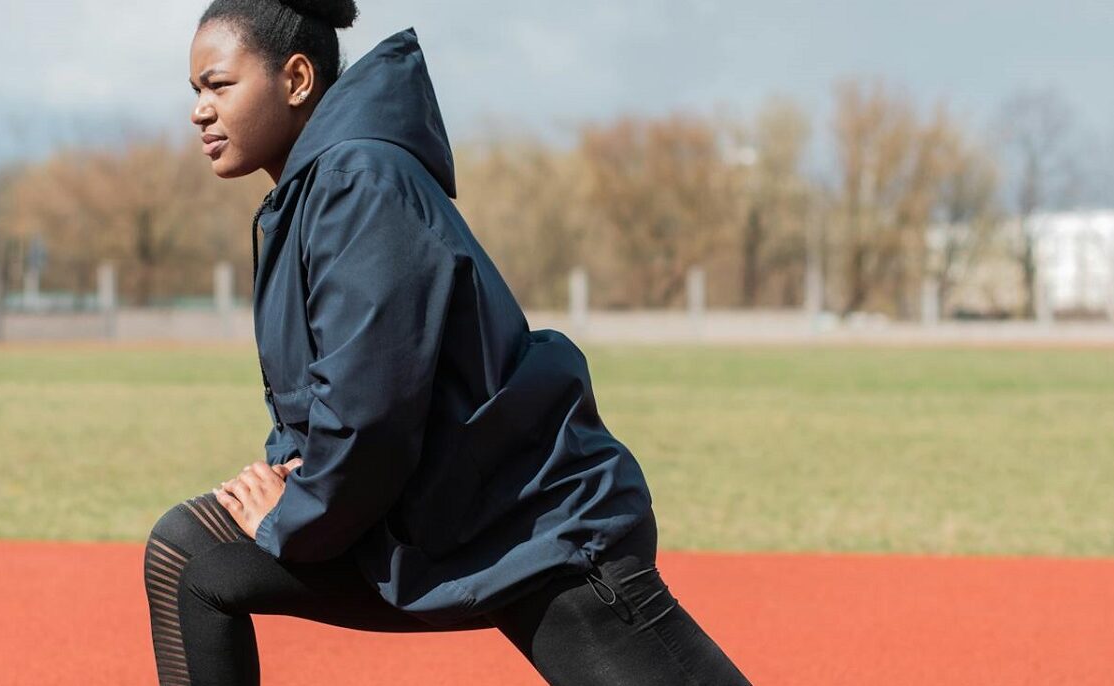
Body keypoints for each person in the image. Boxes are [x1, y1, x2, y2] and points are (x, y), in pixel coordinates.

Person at [144, 1, 753, 683]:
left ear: (295, 79)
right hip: (429, 520)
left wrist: (292, 515)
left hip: (537, 535)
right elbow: (322, 400)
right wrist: (293, 472)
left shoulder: (359, 184)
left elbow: (371, 413)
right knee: (189, 555)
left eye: (219, 85)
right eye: (195, 91)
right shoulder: (311, 195)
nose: (200, 110)